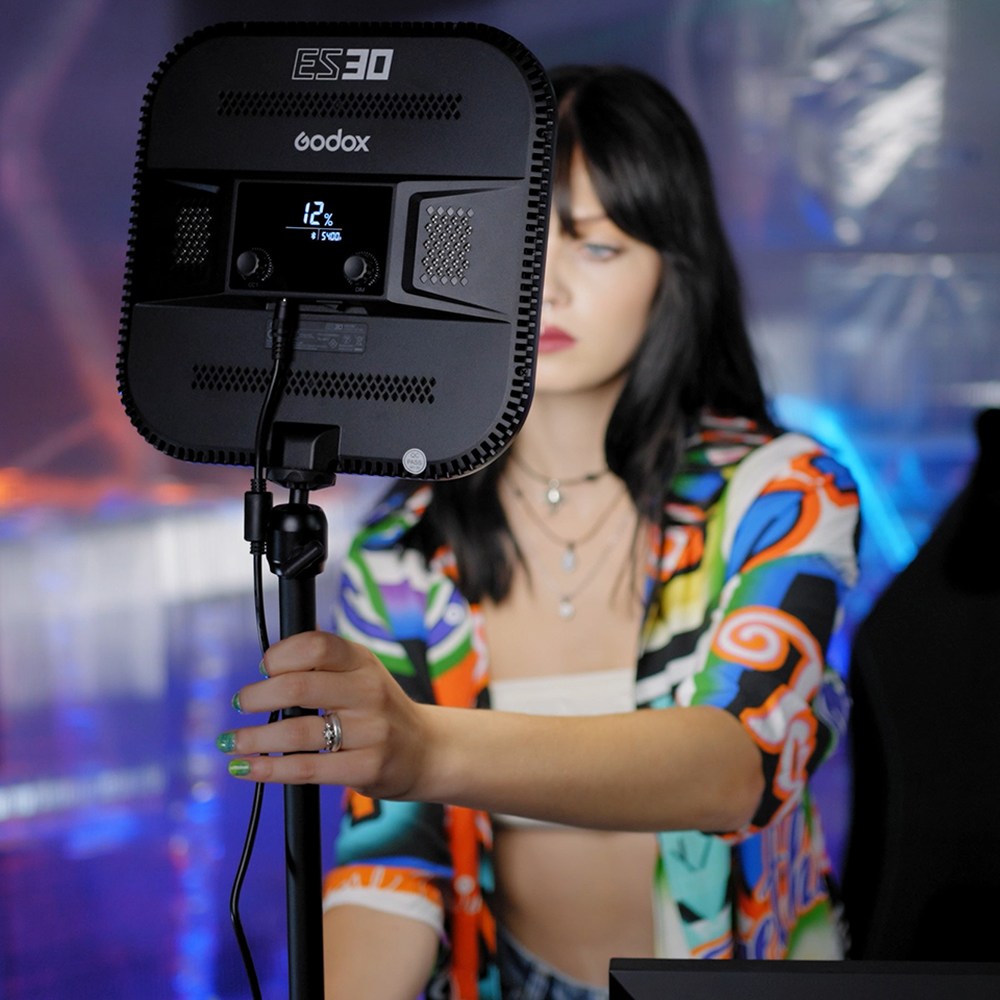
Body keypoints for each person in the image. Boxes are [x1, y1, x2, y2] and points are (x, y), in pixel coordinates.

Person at [218, 64, 862, 999]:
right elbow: (392, 863)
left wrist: (426, 748)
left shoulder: (782, 493)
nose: (546, 287)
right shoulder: (402, 544)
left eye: (596, 246)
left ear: (673, 271)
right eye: (521, 240)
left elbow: (738, 765)